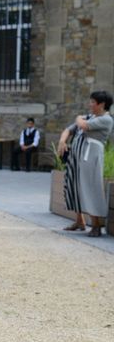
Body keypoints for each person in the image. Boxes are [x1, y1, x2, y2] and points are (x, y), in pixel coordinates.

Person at [59, 90, 114, 237]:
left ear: (102, 104)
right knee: (75, 186)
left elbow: (82, 125)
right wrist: (62, 141)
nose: (90, 104)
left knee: (91, 187)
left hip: (91, 156)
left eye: (92, 102)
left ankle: (96, 225)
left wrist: (78, 117)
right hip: (77, 157)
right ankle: (80, 221)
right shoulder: (91, 116)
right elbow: (68, 129)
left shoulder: (106, 119)